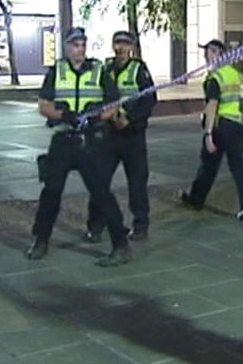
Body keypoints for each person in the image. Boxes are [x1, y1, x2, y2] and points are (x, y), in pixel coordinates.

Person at [27, 27, 132, 267]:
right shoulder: (56, 72)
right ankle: (40, 240)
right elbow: (43, 105)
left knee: (102, 194)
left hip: (91, 141)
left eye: (83, 44)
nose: (80, 49)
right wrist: (64, 115)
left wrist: (97, 118)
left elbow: (113, 104)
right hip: (64, 139)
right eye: (75, 45)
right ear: (67, 46)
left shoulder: (99, 71)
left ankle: (121, 245)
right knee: (51, 193)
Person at [84, 30, 157, 243]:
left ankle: (140, 226)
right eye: (117, 43)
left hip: (132, 135)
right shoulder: (105, 70)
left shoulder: (138, 70)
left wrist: (131, 119)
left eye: (125, 43)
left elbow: (149, 100)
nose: (121, 48)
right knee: (99, 181)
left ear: (132, 47)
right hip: (108, 135)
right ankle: (95, 227)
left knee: (137, 181)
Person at [180, 39, 243, 222]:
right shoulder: (233, 74)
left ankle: (196, 200)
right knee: (239, 168)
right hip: (235, 125)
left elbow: (212, 105)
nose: (206, 55)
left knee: (208, 165)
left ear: (218, 54)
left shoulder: (214, 78)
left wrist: (208, 134)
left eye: (210, 52)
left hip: (220, 127)